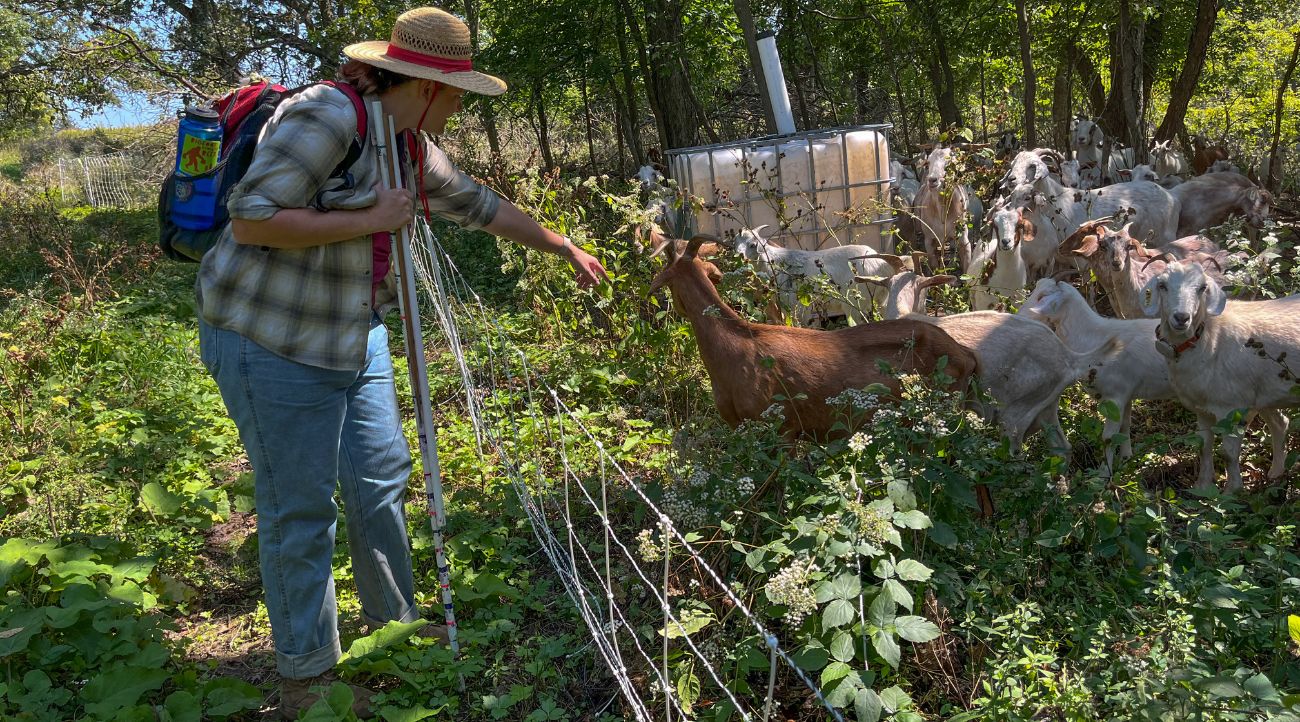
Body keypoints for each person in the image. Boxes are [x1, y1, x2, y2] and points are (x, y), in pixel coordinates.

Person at [195, 7, 608, 718]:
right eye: (458, 96)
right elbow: (251, 216)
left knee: (381, 475)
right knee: (299, 509)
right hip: (272, 339)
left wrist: (561, 245)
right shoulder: (327, 116)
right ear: (425, 86)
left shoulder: (407, 142)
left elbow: (477, 204)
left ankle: (393, 625)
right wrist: (369, 219)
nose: (460, 108)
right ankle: (307, 679)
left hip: (355, 333)